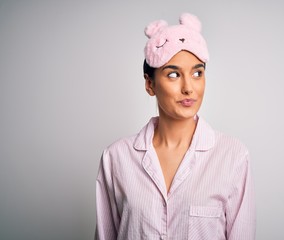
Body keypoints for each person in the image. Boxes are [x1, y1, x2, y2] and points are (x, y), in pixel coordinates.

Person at [95, 13, 256, 240]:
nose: (188, 87)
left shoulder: (232, 156)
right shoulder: (116, 158)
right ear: (150, 84)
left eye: (197, 73)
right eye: (173, 74)